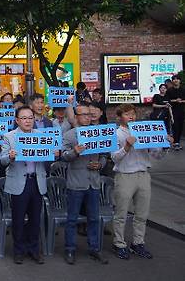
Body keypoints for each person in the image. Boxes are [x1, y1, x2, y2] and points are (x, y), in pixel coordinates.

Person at [111, 104, 172, 260]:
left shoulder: (144, 130)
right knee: (121, 213)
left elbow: (156, 155)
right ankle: (119, 243)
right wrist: (127, 146)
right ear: (119, 117)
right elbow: (115, 158)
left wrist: (165, 145)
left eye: (133, 113)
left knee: (142, 213)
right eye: (127, 114)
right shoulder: (116, 134)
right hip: (124, 175)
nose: (131, 116)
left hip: (143, 174)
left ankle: (138, 243)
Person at [1, 105, 51, 265]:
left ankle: (34, 249)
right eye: (24, 118)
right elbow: (2, 160)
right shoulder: (9, 137)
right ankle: (19, 251)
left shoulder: (41, 135)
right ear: (17, 120)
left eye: (30, 118)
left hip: (37, 180)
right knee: (18, 218)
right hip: (19, 182)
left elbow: (49, 157)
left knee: (36, 218)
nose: (28, 121)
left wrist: (53, 153)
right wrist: (10, 156)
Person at [61, 104, 108, 265]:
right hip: (76, 183)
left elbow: (104, 155)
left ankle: (94, 248)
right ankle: (70, 249)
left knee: (94, 218)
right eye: (83, 114)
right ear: (76, 117)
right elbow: (64, 157)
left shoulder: (99, 133)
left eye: (89, 114)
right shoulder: (70, 135)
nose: (87, 117)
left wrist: (100, 165)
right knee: (72, 219)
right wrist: (75, 152)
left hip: (93, 182)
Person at [166, 75, 184, 150]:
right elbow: (168, 100)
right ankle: (175, 143)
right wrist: (175, 100)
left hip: (182, 110)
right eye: (174, 79)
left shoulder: (183, 90)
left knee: (180, 127)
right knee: (175, 126)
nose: (176, 80)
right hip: (173, 111)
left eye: (177, 79)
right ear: (172, 81)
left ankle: (177, 142)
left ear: (180, 81)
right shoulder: (169, 90)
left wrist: (181, 101)